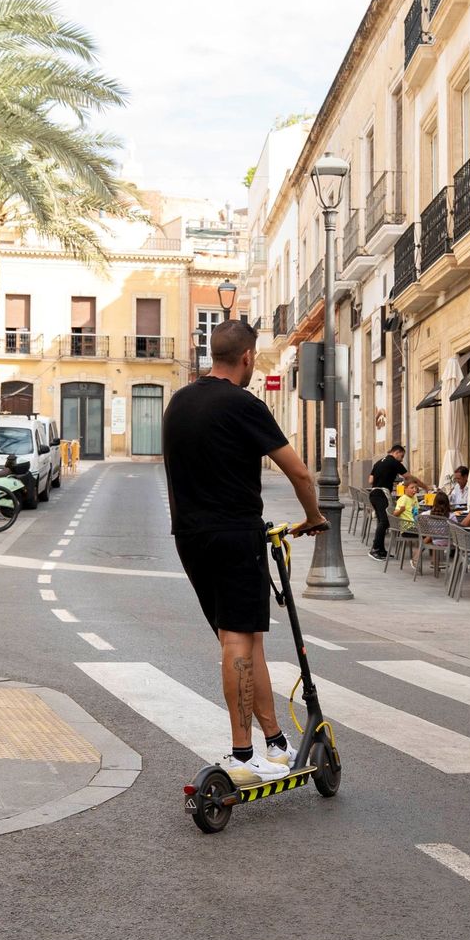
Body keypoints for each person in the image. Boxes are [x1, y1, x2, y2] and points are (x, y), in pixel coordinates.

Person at [162, 320, 326, 787]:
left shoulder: (179, 402)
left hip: (190, 537)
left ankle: (274, 741)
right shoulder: (243, 404)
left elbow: (178, 472)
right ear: (249, 357)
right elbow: (298, 473)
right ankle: (242, 752)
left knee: (247, 638)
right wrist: (313, 517)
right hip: (235, 534)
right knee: (238, 639)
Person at [367, 445, 428, 559]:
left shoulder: (379, 462)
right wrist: (425, 487)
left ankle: (381, 550)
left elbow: (370, 480)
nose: (402, 459)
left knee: (382, 520)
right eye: (402, 456)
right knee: (384, 521)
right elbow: (410, 478)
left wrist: (385, 477)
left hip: (374, 494)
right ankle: (375, 549)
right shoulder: (393, 462)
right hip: (381, 495)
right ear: (397, 452)